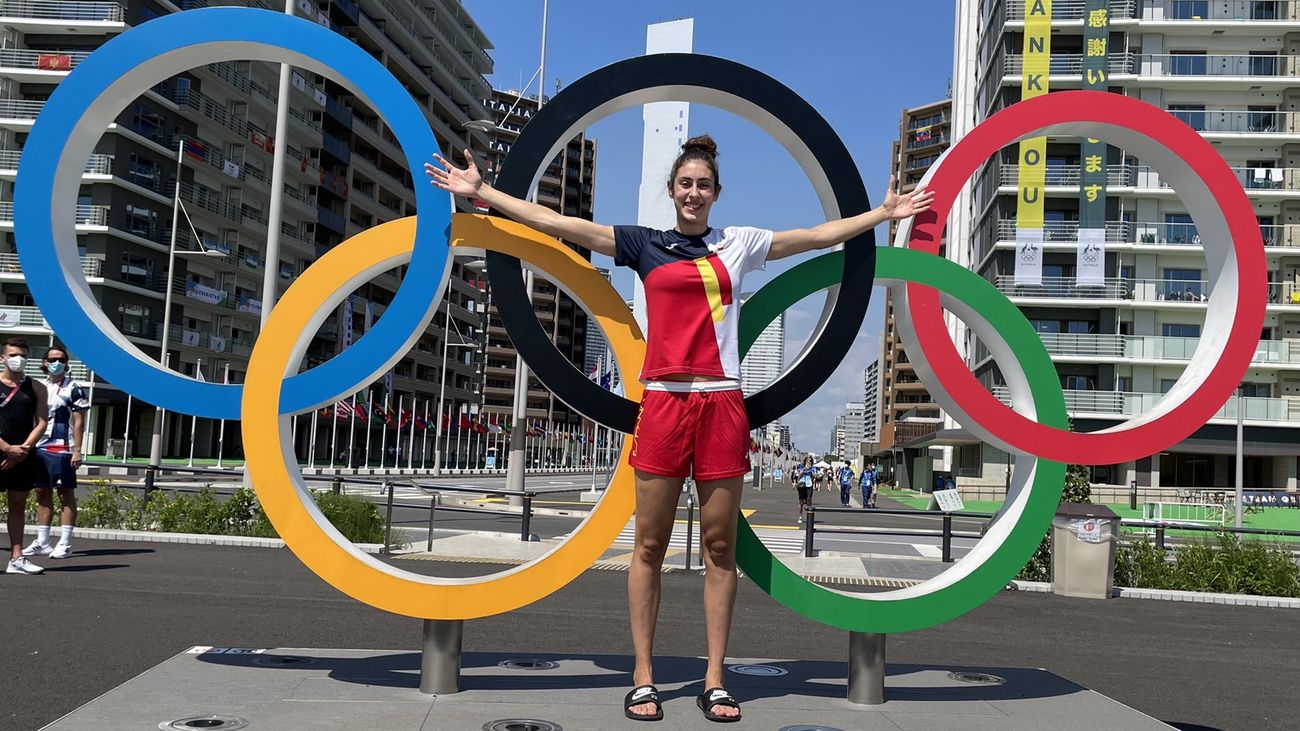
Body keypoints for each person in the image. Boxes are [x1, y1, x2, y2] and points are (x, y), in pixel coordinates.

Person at [426, 134, 931, 723]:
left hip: (720, 405)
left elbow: (815, 237)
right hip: (663, 403)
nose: (694, 193)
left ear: (717, 194)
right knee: (649, 545)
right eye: (685, 184)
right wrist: (483, 193)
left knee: (721, 548)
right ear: (673, 190)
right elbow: (559, 222)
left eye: (704, 185)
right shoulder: (643, 244)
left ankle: (715, 678)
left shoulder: (738, 244)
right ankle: (644, 676)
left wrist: (884, 213)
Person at [23, 346, 89, 560]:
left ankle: (66, 542)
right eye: (52, 359)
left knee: (65, 494)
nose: (56, 362)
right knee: (41, 492)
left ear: (66, 362)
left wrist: (77, 450)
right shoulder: (36, 386)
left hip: (63, 448)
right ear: (44, 362)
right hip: (39, 447)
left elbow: (79, 422)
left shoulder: (73, 387)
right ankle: (42, 541)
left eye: (60, 359)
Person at [2, 337, 49, 575]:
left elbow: (42, 422)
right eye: (12, 355)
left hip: (24, 455)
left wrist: (22, 449)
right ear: (3, 358)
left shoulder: (37, 387)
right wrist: (6, 448)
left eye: (22, 355)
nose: (17, 359)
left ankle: (17, 558)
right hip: (2, 452)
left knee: (18, 504)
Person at [793, 455, 815, 523]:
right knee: (801, 501)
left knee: (809, 500)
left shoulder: (813, 468)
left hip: (809, 485)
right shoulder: (801, 467)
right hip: (802, 485)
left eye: (810, 461)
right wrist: (804, 469)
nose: (808, 462)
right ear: (805, 461)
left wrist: (811, 470)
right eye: (807, 461)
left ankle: (809, 517)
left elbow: (815, 477)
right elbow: (798, 475)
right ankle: (800, 516)